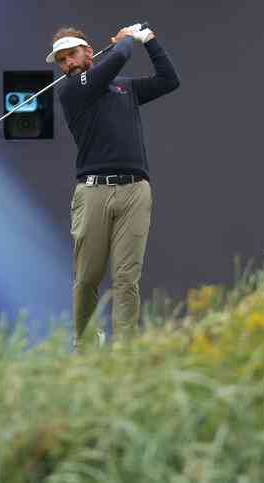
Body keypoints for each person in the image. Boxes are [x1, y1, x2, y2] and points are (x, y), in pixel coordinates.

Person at [46, 23, 180, 353]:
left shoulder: (124, 88)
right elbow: (117, 58)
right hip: (93, 192)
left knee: (126, 280)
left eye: (71, 55)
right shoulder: (72, 90)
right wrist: (125, 41)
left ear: (88, 52)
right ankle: (86, 346)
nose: (67, 64)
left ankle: (125, 353)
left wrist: (149, 41)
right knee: (88, 278)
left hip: (135, 192)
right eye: (61, 60)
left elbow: (168, 80)